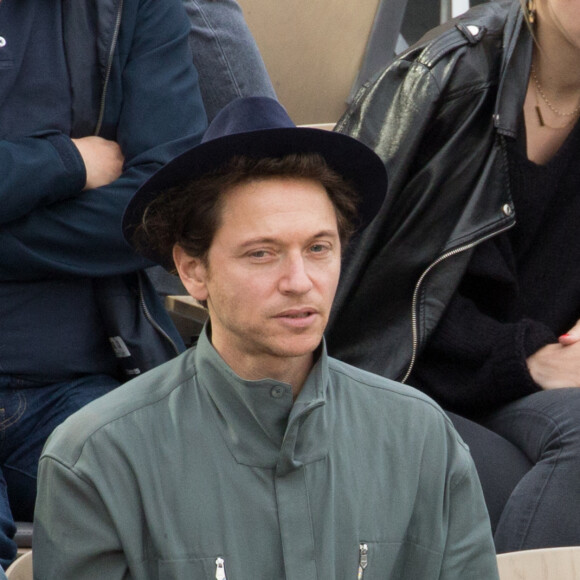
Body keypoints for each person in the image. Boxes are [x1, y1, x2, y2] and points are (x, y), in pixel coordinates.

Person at [33, 97, 499, 580]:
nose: (299, 280)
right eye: (262, 253)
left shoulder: (420, 436)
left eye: (319, 248)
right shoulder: (99, 457)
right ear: (193, 271)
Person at [325, 0, 580, 553]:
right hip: (403, 382)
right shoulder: (448, 77)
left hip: (524, 388)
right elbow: (367, 298)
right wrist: (528, 354)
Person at [0, 0, 207, 567]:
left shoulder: (133, 9)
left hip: (82, 384)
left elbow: (163, 204)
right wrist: (63, 163)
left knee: (197, 519)